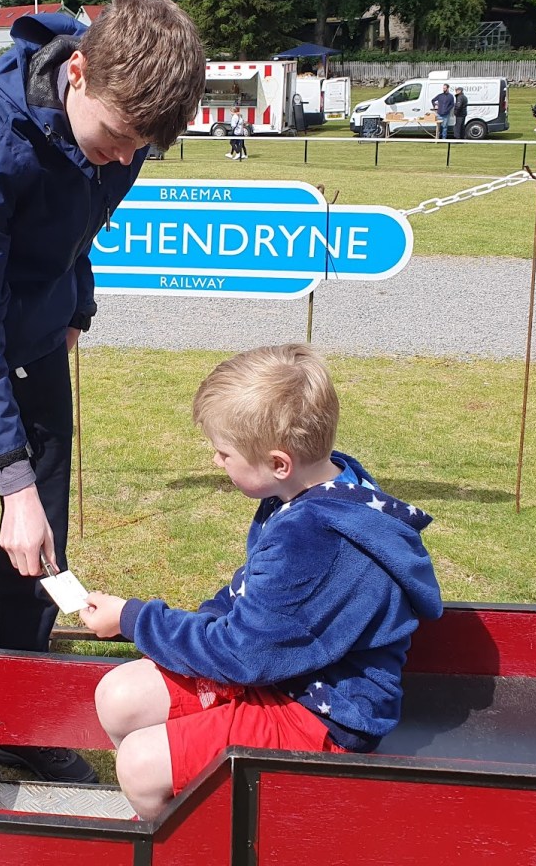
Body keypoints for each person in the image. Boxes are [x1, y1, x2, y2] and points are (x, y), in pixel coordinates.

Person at [0, 0, 205, 783]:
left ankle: (14, 719)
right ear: (79, 72)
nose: (127, 160)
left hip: (37, 340)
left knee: (40, 545)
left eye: (143, 147)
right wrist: (9, 478)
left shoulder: (124, 126)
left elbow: (82, 219)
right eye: (120, 138)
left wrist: (75, 305)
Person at [80, 344, 443, 820]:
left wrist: (133, 619)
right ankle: (189, 810)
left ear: (278, 462)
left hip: (324, 714)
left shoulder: (312, 538)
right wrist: (200, 620)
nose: (216, 460)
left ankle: (193, 840)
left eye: (223, 452)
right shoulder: (319, 485)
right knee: (118, 696)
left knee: (139, 764)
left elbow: (242, 654)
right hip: (282, 669)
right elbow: (248, 597)